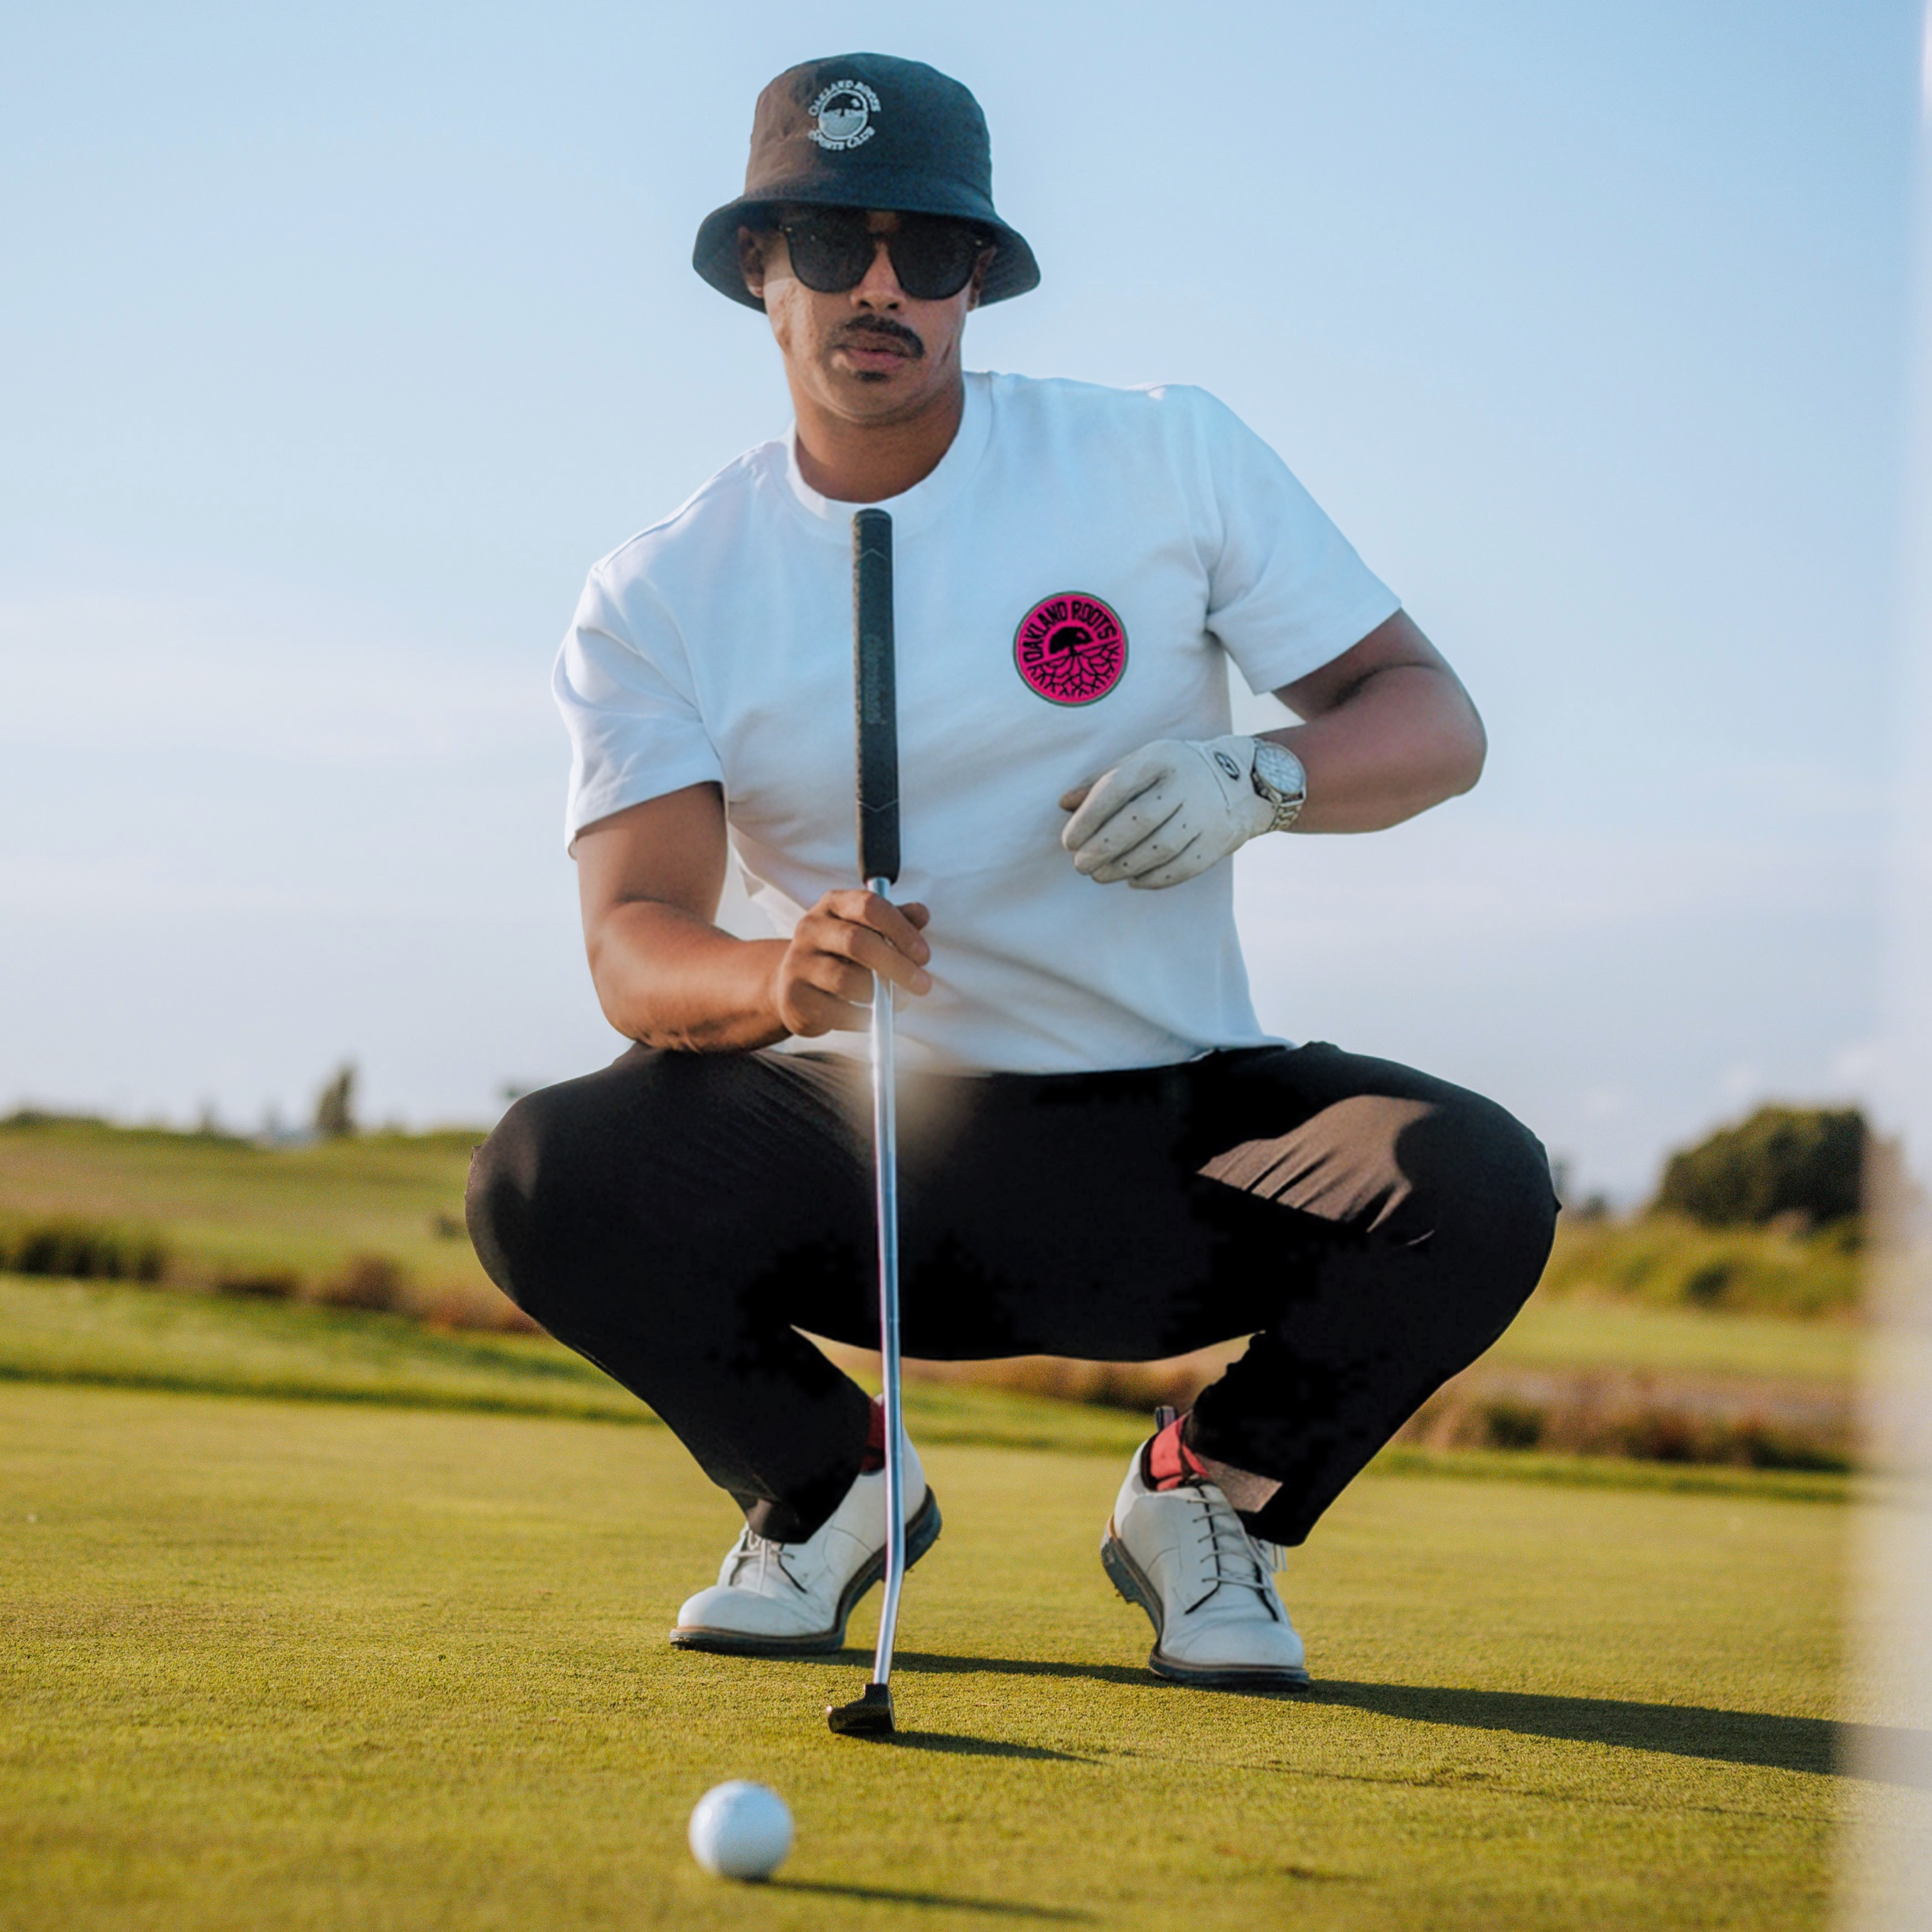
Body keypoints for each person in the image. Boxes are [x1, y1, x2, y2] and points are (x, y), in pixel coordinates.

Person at [467, 52, 1557, 1691]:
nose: (881, 282)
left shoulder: (1164, 457)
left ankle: (1211, 1500)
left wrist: (1264, 775)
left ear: (981, 278)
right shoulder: (658, 589)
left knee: (1470, 1178)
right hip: (863, 1146)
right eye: (831, 243)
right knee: (544, 1169)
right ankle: (828, 1488)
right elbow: (632, 942)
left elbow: (1430, 720)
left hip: (1175, 1140)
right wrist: (774, 977)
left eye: (933, 248)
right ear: (760, 271)